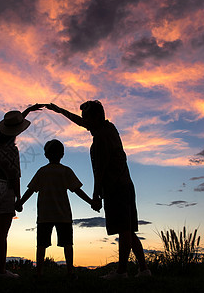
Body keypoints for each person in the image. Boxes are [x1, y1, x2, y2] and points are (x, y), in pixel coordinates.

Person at [46, 101, 150, 279]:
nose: (84, 123)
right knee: (128, 229)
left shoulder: (101, 137)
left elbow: (100, 169)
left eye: (87, 119)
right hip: (124, 185)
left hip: (116, 186)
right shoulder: (108, 127)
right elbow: (80, 121)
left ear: (95, 118)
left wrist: (96, 195)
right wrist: (58, 110)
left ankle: (121, 271)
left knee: (124, 229)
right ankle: (143, 269)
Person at [0, 104, 44, 278]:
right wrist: (18, 198)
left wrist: (27, 111)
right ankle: (1, 271)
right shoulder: (12, 150)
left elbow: (10, 128)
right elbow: (14, 176)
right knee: (2, 234)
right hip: (4, 189)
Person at [15, 139, 93, 278]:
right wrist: (91, 202)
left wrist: (20, 202)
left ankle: (39, 272)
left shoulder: (42, 171)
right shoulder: (66, 171)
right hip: (63, 214)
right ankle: (70, 272)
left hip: (45, 215)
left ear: (46, 155)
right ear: (62, 154)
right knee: (67, 244)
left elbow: (31, 190)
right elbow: (77, 190)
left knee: (41, 245)